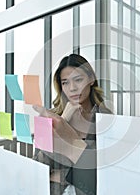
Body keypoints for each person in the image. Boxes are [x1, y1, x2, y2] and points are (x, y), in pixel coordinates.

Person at [33, 53, 112, 195]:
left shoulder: (106, 118)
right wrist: (62, 120)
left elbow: (104, 171)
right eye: (65, 82)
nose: (72, 88)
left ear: (91, 79)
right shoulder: (47, 117)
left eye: (78, 80)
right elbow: (37, 168)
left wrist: (61, 177)